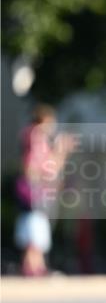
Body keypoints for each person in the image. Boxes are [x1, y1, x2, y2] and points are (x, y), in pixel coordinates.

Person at [14, 105, 75, 276]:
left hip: (35, 189)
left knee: (34, 229)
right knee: (36, 229)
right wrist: (61, 150)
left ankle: (33, 267)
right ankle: (34, 268)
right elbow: (47, 167)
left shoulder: (32, 137)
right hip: (36, 191)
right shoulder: (36, 137)